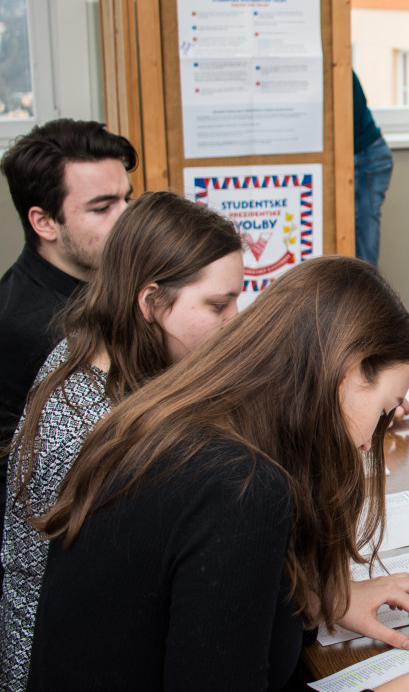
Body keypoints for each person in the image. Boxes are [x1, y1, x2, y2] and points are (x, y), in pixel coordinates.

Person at [25, 255, 409, 692]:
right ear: (344, 371)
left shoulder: (177, 422)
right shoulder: (240, 487)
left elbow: (186, 605)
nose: (369, 439)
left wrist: (313, 603)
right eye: (383, 409)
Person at [0, 190, 244, 692]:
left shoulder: (95, 348)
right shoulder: (99, 430)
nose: (234, 319)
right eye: (220, 304)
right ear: (151, 302)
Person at [0, 119, 137, 537]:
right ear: (44, 223)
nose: (128, 219)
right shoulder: (32, 328)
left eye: (127, 199)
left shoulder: (104, 288)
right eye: (103, 207)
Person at [353, 70, 393, 266]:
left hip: (367, 159)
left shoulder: (338, 66)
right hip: (363, 157)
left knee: (363, 258)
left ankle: (365, 298)